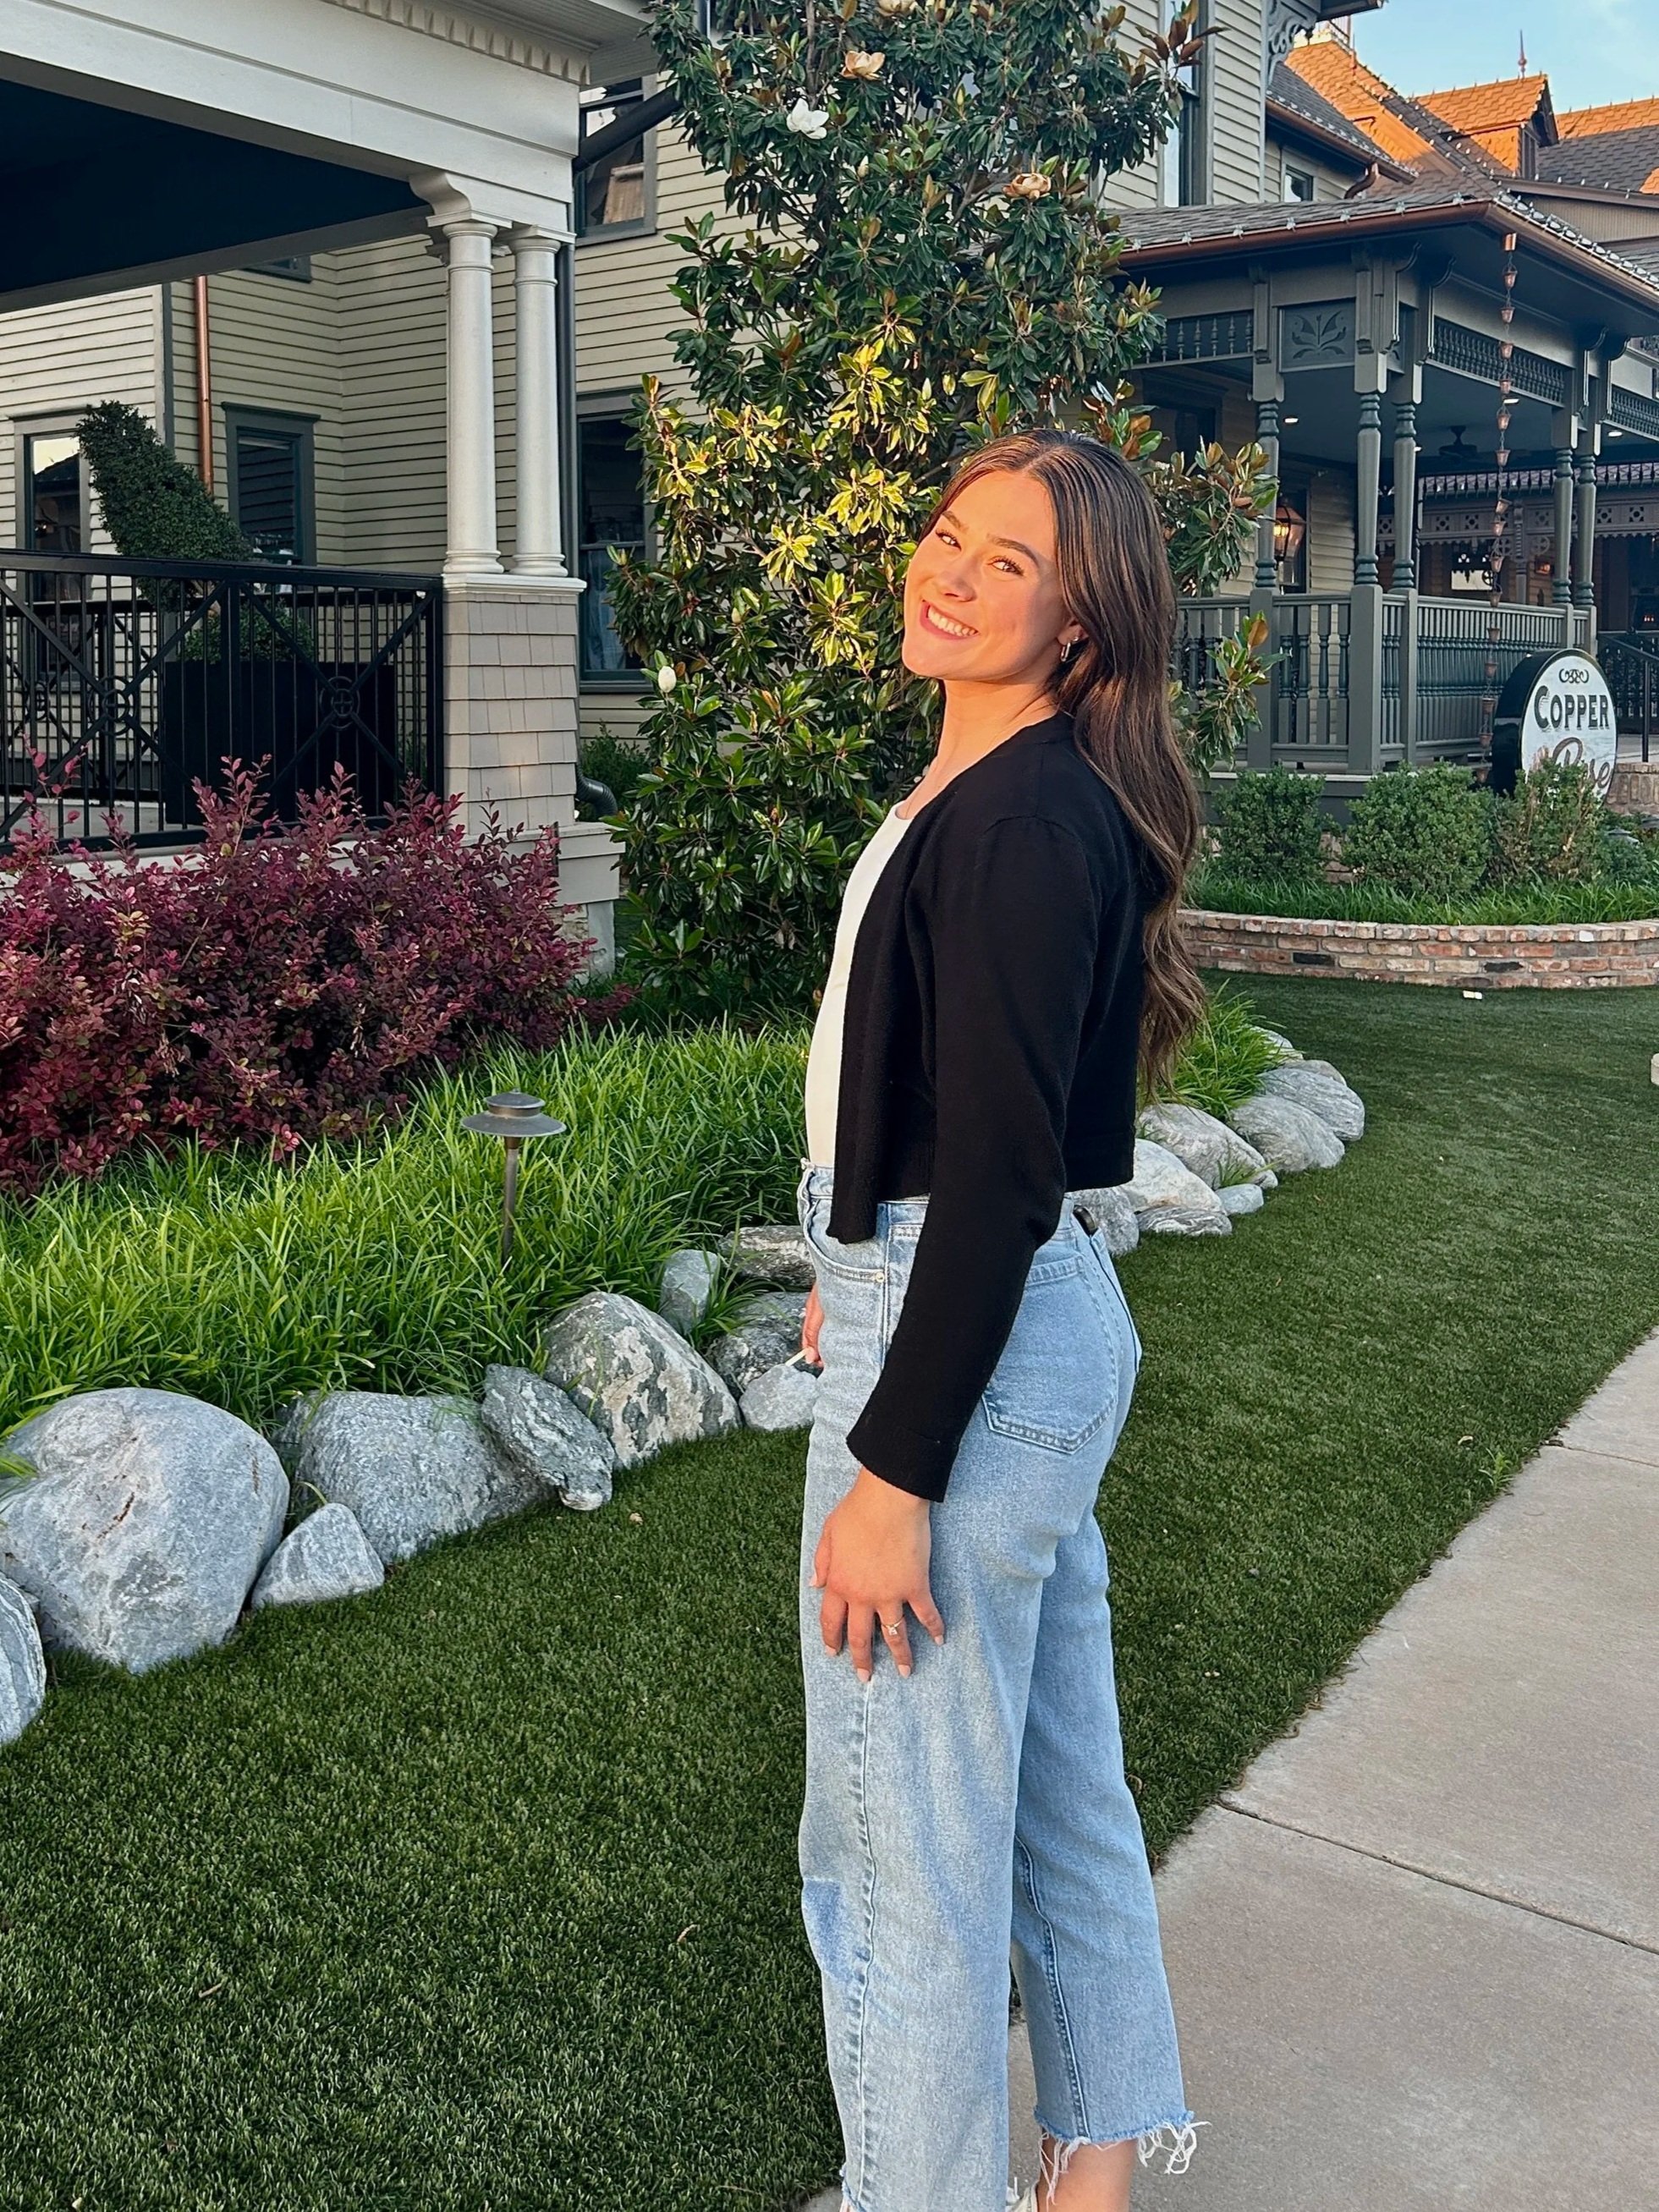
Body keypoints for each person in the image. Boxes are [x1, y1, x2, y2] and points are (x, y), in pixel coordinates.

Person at [795, 428, 1205, 2212]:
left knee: (900, 1869)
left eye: (1009, 564)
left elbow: (1002, 1173)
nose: (948, 575)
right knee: (1051, 1803)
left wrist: (896, 1461)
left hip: (962, 1354)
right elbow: (926, 1106)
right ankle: (1103, 2163)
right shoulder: (994, 792)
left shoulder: (1028, 819)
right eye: (949, 536)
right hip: (980, 1324)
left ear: (1085, 630)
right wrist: (838, 1278)